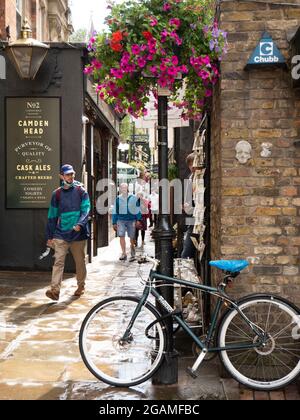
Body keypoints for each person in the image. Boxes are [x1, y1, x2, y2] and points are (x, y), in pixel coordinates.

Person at [45, 164, 91, 301]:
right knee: (58, 261)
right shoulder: (57, 193)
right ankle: (54, 290)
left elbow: (86, 209)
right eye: (67, 174)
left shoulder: (81, 191)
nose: (70, 177)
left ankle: (81, 286)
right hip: (61, 233)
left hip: (78, 234)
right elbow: (52, 215)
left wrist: (80, 223)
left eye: (71, 174)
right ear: (61, 176)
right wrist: (50, 236)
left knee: (79, 262)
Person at [113, 183, 142, 262]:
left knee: (132, 237)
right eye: (122, 188)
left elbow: (137, 209)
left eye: (125, 188)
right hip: (120, 220)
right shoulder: (118, 199)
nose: (123, 189)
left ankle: (132, 252)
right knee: (121, 235)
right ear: (120, 189)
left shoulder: (133, 198)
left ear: (127, 189)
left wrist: (138, 219)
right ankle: (124, 253)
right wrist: (114, 222)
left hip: (131, 220)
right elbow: (115, 210)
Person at [181, 153, 197, 259]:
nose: (192, 167)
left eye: (193, 164)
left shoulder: (200, 178)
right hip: (191, 216)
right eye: (190, 165)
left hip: (197, 215)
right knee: (187, 247)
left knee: (187, 251)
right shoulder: (190, 177)